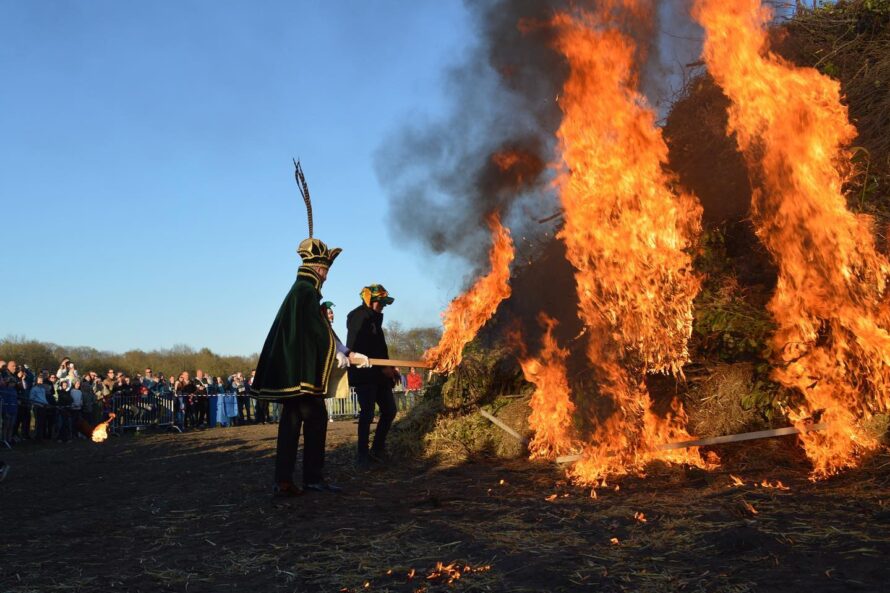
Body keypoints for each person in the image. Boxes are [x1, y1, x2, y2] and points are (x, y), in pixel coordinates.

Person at [251, 230, 366, 497]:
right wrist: (340, 353)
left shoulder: (302, 291)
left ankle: (283, 480)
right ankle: (312, 478)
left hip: (296, 373)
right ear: (318, 268)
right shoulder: (305, 292)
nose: (327, 276)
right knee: (316, 420)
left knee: (290, 425)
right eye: (325, 270)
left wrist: (344, 348)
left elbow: (317, 327)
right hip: (301, 375)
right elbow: (315, 331)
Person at [346, 284, 399, 468]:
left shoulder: (375, 320)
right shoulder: (358, 318)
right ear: (370, 300)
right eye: (381, 302)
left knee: (390, 410)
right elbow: (357, 349)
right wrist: (380, 368)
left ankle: (377, 449)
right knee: (367, 414)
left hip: (379, 374)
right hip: (364, 374)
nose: (383, 306)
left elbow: (380, 349)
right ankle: (362, 456)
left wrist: (391, 367)